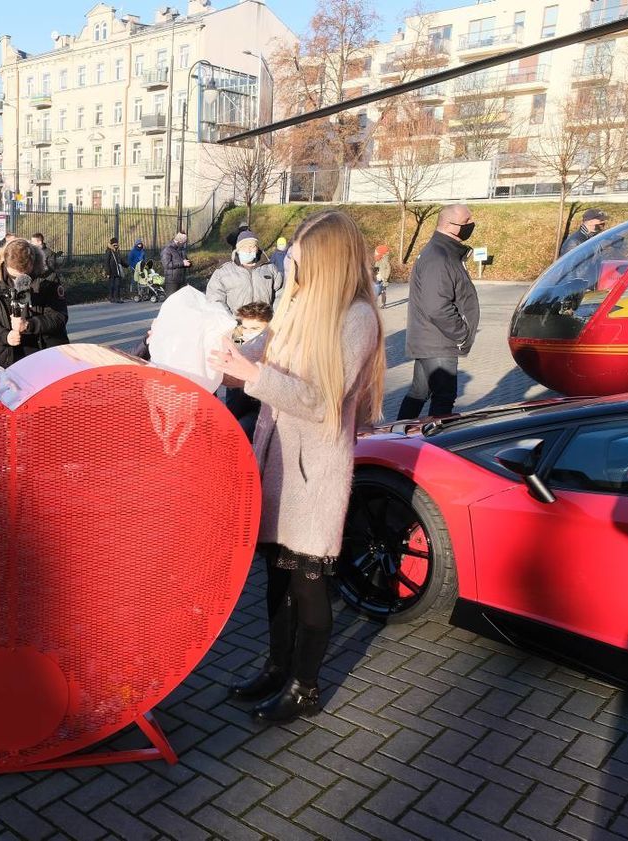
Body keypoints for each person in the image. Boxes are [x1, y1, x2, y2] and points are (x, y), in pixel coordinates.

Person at [211, 209, 384, 723]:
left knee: (309, 585)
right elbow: (257, 352)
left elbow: (324, 401)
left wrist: (253, 376)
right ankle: (277, 666)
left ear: (329, 262)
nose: (294, 272)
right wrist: (222, 348)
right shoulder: (298, 305)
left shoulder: (356, 319)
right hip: (277, 461)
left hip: (315, 472)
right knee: (275, 578)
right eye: (293, 262)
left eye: (303, 262)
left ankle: (304, 687)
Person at [396, 204, 480, 420]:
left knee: (419, 393)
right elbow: (437, 306)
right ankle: (434, 444)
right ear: (450, 225)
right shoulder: (438, 257)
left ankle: (400, 436)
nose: (471, 224)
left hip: (431, 340)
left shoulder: (444, 252)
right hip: (439, 342)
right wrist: (461, 334)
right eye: (467, 221)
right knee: (444, 397)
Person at [0, 238, 69, 369]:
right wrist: (5, 336)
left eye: (25, 275)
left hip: (47, 355)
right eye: (14, 276)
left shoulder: (48, 278)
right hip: (10, 358)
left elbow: (59, 316)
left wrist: (29, 325)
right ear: (5, 263)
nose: (19, 279)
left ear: (32, 263)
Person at [226, 301, 274, 441]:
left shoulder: (273, 340)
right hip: (237, 392)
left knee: (249, 428)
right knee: (234, 422)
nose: (248, 333)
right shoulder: (238, 334)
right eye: (245, 328)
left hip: (260, 392)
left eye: (255, 328)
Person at [206, 229, 284, 315]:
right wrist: (230, 322)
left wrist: (276, 316)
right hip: (237, 325)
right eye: (244, 247)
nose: (248, 250)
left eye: (252, 246)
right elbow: (214, 299)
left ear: (257, 249)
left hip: (265, 324)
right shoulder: (223, 272)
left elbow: (281, 294)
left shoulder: (270, 269)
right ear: (238, 250)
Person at [161, 232, 191, 296]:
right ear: (179, 241)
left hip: (182, 279)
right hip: (172, 281)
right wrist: (182, 263)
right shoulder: (167, 249)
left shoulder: (181, 249)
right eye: (184, 242)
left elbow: (184, 261)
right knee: (171, 301)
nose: (184, 244)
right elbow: (166, 265)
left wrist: (189, 263)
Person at [104, 237, 127, 303]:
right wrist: (108, 272)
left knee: (118, 285)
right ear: (111, 245)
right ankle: (111, 297)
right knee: (112, 285)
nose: (116, 246)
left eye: (117, 245)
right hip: (111, 271)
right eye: (114, 245)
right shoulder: (109, 251)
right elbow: (106, 262)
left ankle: (117, 298)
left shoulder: (117, 251)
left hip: (117, 271)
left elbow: (120, 261)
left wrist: (126, 265)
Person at [373, 244, 392, 308]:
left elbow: (388, 269)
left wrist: (386, 277)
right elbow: (375, 268)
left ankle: (383, 304)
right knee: (376, 289)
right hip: (378, 278)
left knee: (383, 291)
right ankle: (374, 303)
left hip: (384, 279)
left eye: (377, 252)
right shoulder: (377, 260)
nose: (375, 253)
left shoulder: (385, 261)